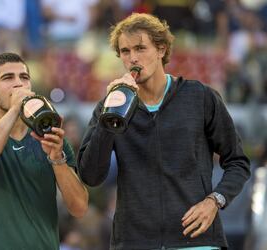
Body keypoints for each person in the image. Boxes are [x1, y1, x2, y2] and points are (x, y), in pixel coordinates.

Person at [77, 13, 250, 250]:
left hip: (197, 242)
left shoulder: (200, 97)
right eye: (125, 51)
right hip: (134, 242)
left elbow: (237, 162)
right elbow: (91, 176)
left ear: (161, 49)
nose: (133, 58)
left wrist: (214, 201)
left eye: (140, 48)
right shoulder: (110, 107)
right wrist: (110, 117)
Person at [0, 52, 88, 249]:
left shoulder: (53, 140)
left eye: (24, 78)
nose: (19, 84)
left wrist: (57, 159)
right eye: (8, 78)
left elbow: (79, 208)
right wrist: (15, 109)